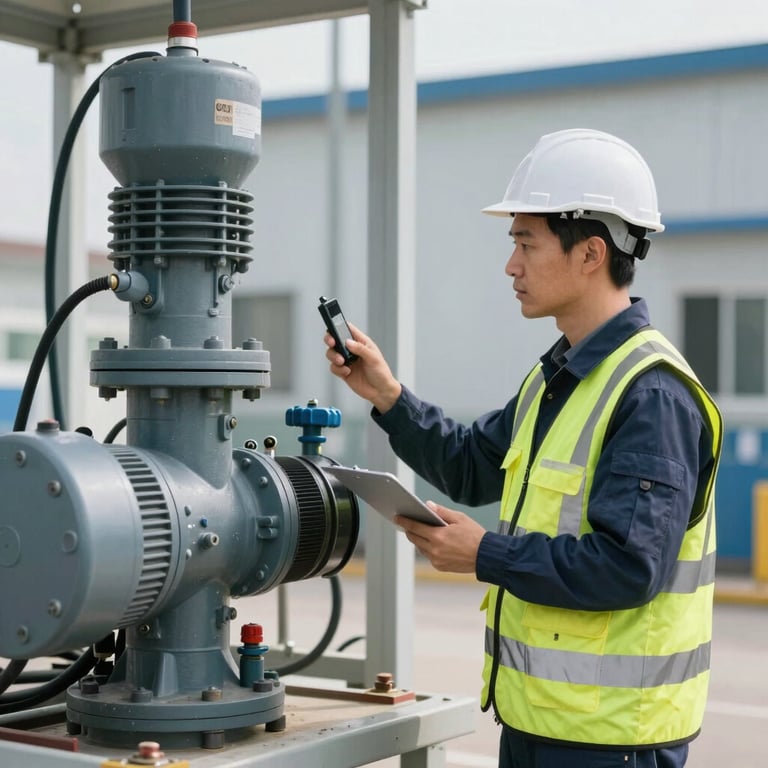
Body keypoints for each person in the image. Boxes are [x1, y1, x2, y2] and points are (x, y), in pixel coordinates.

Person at [324, 128, 722, 768]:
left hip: (612, 744)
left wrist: (486, 553)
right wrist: (389, 395)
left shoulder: (651, 395)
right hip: (539, 726)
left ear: (591, 253)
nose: (511, 265)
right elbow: (471, 466)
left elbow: (627, 568)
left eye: (525, 243)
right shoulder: (556, 377)